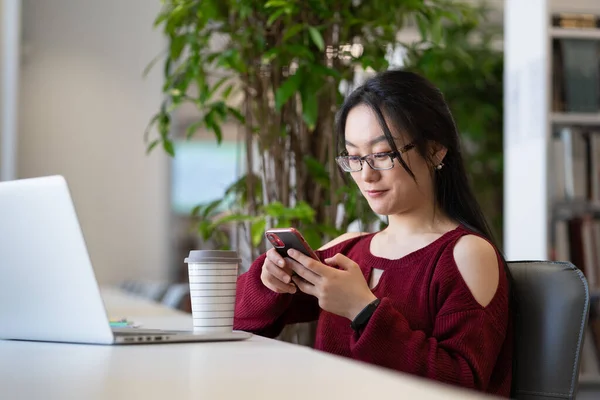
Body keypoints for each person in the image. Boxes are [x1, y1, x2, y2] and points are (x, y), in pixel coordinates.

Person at [233, 70, 513, 397]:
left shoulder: (465, 254)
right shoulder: (349, 250)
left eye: (382, 154)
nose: (365, 174)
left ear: (436, 150)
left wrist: (363, 312)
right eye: (354, 157)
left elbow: (463, 385)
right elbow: (238, 321)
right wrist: (269, 282)